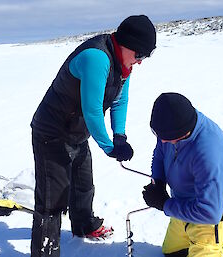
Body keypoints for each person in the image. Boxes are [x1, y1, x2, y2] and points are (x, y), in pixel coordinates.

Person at [30, 15, 156, 257]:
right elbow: (92, 110)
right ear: (127, 44)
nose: (140, 62)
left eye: (145, 57)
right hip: (52, 131)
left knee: (83, 185)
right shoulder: (97, 58)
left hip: (77, 131)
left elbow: (120, 98)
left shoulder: (123, 63)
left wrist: (119, 135)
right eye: (140, 55)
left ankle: (83, 224)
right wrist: (108, 147)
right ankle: (45, 252)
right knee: (52, 199)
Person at [142, 92, 223, 257]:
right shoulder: (172, 125)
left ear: (183, 133)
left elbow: (210, 213)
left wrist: (164, 204)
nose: (162, 141)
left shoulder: (209, 151)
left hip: (215, 219)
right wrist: (159, 181)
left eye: (167, 138)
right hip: (185, 206)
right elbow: (160, 153)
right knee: (172, 253)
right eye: (159, 135)